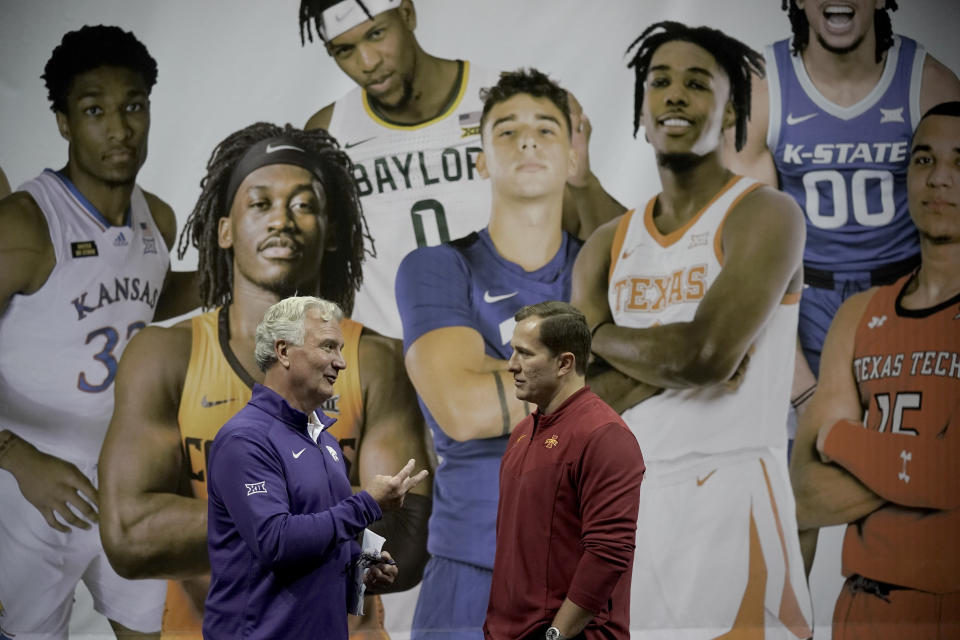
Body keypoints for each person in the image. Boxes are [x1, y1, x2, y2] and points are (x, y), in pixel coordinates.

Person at [97, 123, 433, 639]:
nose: (282, 219)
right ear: (225, 229)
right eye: (260, 204)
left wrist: (247, 521)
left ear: (331, 230)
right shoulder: (165, 356)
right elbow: (129, 536)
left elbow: (405, 545)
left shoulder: (375, 359)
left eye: (303, 205)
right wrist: (339, 509)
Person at [571, 22, 814, 636]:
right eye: (660, 82)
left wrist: (600, 337)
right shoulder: (605, 245)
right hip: (626, 510)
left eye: (697, 83)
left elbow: (704, 355)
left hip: (733, 500)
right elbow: (579, 404)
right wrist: (680, 355)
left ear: (730, 109)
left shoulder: (765, 213)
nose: (674, 95)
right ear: (642, 105)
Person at [0, 25, 193, 639]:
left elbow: (139, 302)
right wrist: (17, 458)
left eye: (133, 106)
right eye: (94, 110)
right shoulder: (25, 224)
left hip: (131, 477)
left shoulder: (155, 217)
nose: (119, 128)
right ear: (63, 121)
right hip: (29, 487)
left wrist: (237, 272)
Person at [300, 0, 622, 337]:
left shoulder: (513, 105)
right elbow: (323, 269)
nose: (368, 62)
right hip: (395, 368)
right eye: (344, 50)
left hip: (517, 354)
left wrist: (584, 184)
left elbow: (600, 244)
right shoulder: (329, 132)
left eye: (377, 34)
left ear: (407, 14)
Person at [395, 68, 582, 638]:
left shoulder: (609, 264)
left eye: (547, 129)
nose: (527, 140)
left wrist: (506, 378)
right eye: (506, 130)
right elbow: (464, 408)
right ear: (480, 158)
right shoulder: (438, 266)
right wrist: (601, 378)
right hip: (473, 569)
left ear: (575, 156)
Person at [727, 0, 960, 420]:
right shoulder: (763, 89)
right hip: (803, 303)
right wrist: (799, 386)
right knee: (811, 464)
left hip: (907, 295)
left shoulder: (930, 85)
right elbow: (751, 255)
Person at [790, 101, 960, 640]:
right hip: (862, 605)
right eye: (923, 159)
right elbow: (805, 493)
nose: (940, 179)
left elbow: (948, 474)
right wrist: (920, 465)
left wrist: (842, 439)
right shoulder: (860, 313)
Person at [202, 296, 428, 640]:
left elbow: (323, 532)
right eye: (327, 347)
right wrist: (369, 504)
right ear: (283, 351)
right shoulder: (244, 439)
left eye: (341, 349)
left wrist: (362, 564)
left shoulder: (324, 440)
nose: (341, 363)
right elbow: (276, 542)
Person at [484, 302, 644, 640]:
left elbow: (609, 553)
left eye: (525, 354)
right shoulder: (522, 433)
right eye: (513, 352)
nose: (511, 365)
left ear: (564, 363)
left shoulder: (605, 435)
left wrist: (556, 635)